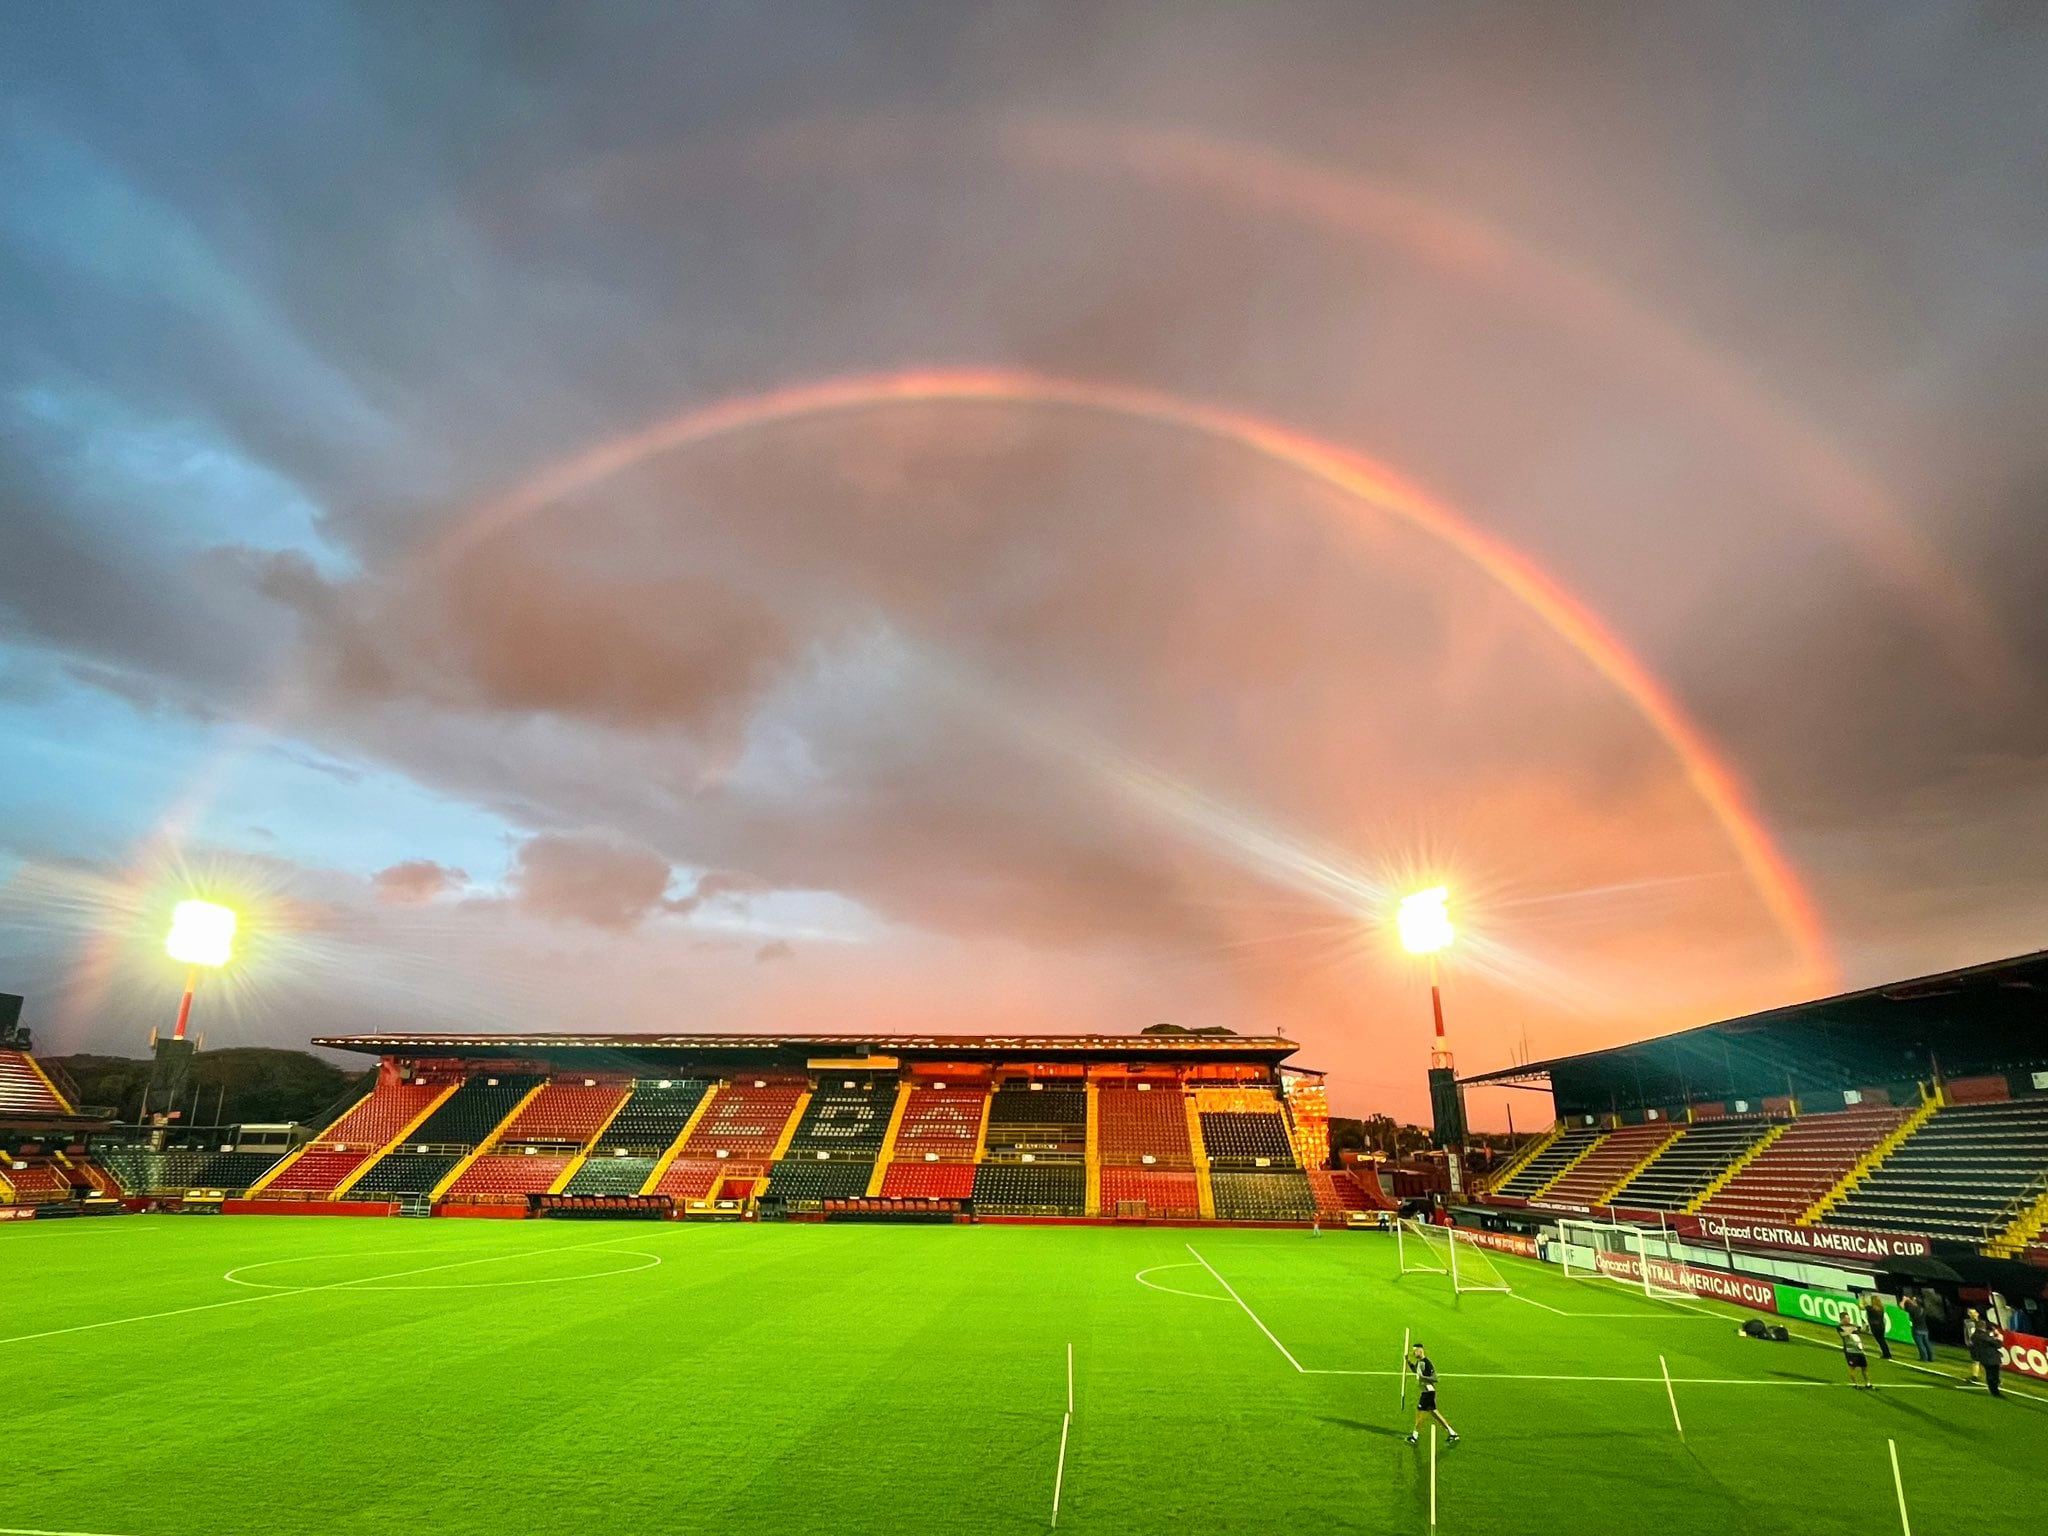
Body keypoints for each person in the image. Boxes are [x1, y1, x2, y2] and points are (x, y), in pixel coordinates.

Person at [1407, 1344, 1460, 1444]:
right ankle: (1452, 1433)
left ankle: (1415, 1436)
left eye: (1415, 1351)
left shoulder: (1427, 1363)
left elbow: (1435, 1378)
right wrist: (1408, 1362)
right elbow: (1416, 1371)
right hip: (1425, 1391)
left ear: (1420, 1350)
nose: (1414, 1353)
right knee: (1434, 1413)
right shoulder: (1419, 1362)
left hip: (1428, 1392)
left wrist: (1423, 1378)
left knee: (1420, 1413)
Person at [1974, 1315, 2005, 1399]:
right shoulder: (1984, 1336)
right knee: (1993, 1375)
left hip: (1984, 1358)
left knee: (1990, 1374)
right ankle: (1995, 1391)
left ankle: (1993, 1390)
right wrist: (1999, 1337)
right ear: (1983, 1326)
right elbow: (1997, 1344)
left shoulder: (1975, 1335)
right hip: (1991, 1358)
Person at [1838, 1316, 1872, 1389]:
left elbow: (1864, 1331)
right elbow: (1843, 1334)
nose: (1848, 1319)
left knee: (1864, 1368)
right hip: (1850, 1351)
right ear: (1842, 1319)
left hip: (1859, 1350)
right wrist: (1852, 1329)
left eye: (1849, 1318)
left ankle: (1868, 1384)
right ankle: (1855, 1384)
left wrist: (1866, 1326)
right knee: (1853, 1368)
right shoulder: (1840, 1327)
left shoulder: (1852, 1326)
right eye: (1846, 1318)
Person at [1904, 1291, 1935, 1363]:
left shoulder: (1913, 1310)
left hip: (1917, 1329)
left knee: (1920, 1344)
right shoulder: (1923, 1309)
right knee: (1927, 1344)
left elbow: (1901, 1307)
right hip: (1925, 1329)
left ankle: (1924, 1358)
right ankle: (1931, 1358)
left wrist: (1905, 1300)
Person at [1964, 1308, 1985, 1386]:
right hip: (1973, 1344)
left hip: (1980, 1344)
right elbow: (1969, 1333)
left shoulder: (1981, 1323)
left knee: (1984, 1361)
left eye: (1973, 1313)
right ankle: (1975, 1376)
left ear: (1977, 1313)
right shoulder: (1967, 1322)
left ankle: (1996, 1379)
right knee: (1975, 1360)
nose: (1972, 1314)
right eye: (1970, 1313)